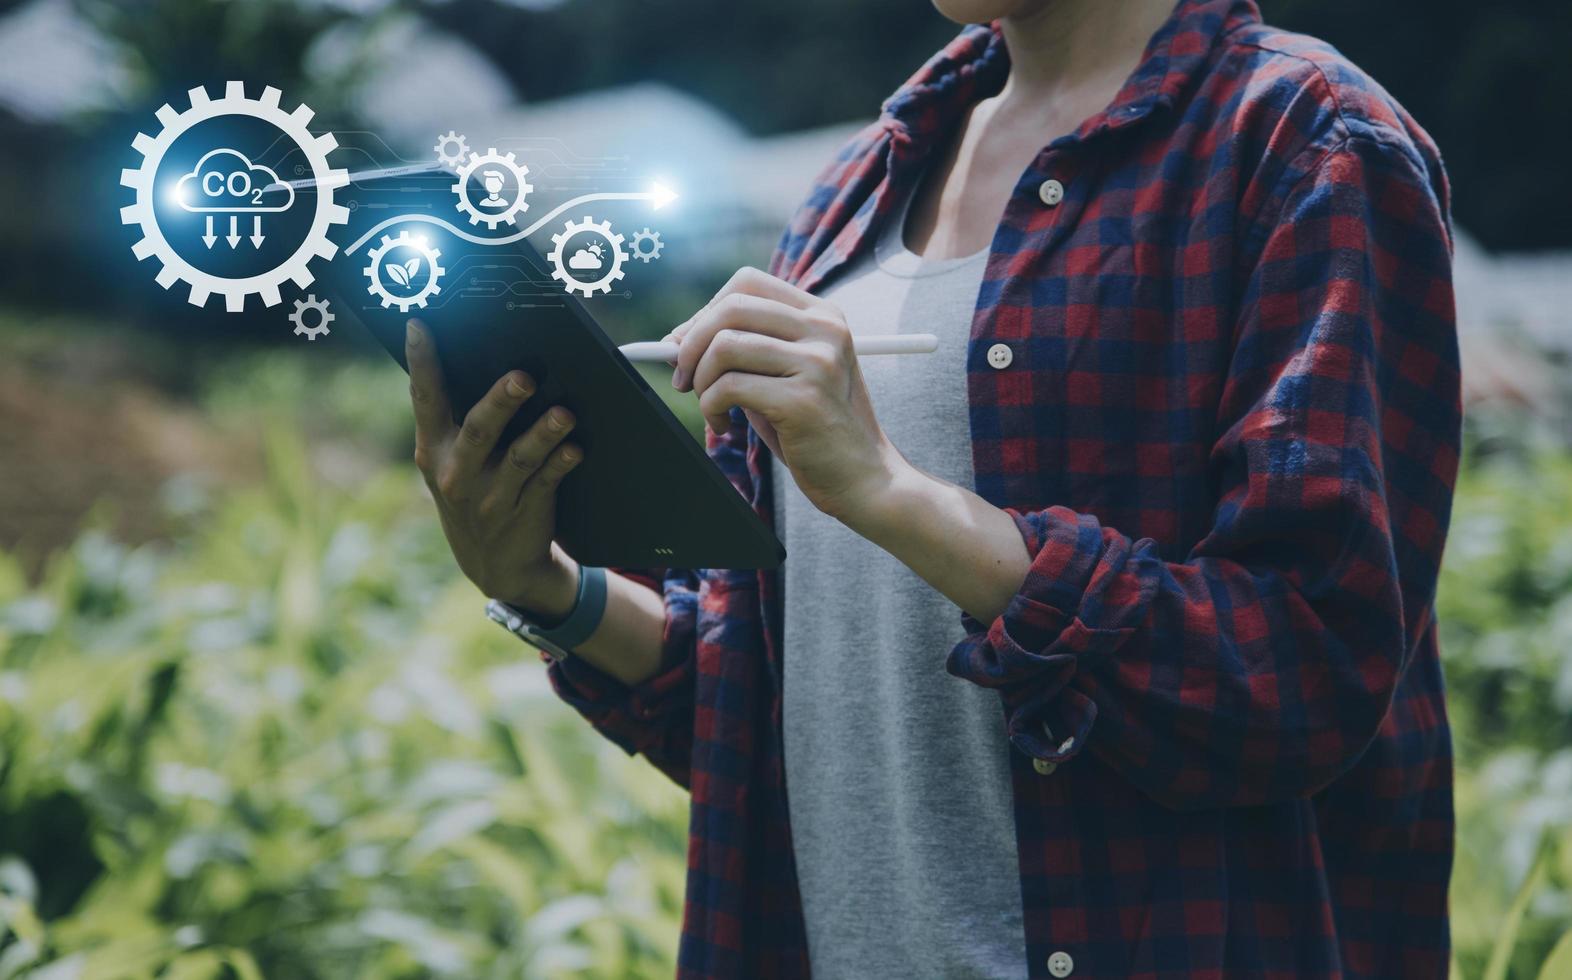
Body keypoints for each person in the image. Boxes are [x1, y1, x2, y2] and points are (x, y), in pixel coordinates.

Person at [402, 0, 1460, 975]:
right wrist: (547, 587)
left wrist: (898, 497)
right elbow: (760, 701)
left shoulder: (1307, 142)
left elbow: (1305, 674)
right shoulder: (857, 187)